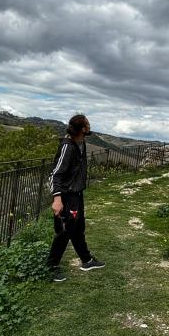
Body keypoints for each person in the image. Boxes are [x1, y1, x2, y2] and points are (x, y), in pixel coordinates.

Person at [46, 114, 105, 282]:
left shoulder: (81, 143)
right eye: (87, 123)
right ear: (82, 129)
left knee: (78, 227)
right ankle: (51, 266)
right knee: (64, 231)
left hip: (77, 194)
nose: (90, 125)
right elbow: (55, 174)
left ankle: (86, 260)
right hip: (66, 196)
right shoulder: (68, 147)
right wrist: (57, 199)